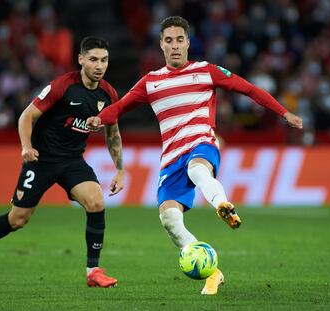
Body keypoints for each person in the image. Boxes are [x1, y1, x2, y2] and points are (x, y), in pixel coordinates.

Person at [87, 16, 303, 295]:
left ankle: (222, 204)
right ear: (161, 45)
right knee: (169, 220)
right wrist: (99, 119)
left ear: (188, 42)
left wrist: (283, 112)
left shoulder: (206, 71)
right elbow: (119, 108)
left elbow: (248, 88)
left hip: (202, 143)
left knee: (197, 169)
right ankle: (212, 271)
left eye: (179, 40)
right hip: (171, 157)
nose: (175, 46)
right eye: (168, 41)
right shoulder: (150, 83)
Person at [0, 36, 125, 288]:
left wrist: (119, 169)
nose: (99, 65)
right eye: (93, 59)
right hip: (41, 159)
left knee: (95, 201)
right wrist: (26, 147)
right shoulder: (63, 86)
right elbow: (27, 116)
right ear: (81, 59)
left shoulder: (108, 94)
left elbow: (112, 133)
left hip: (72, 160)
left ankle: (93, 271)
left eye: (104, 60)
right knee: (18, 219)